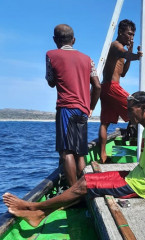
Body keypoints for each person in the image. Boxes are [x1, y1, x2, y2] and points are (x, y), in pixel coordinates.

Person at [3, 91, 145, 228]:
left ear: (143, 108)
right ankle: (41, 212)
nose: (128, 114)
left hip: (141, 185)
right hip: (136, 176)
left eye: (130, 110)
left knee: (85, 186)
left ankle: (34, 207)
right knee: (85, 179)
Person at [45, 24, 101, 187]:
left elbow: (51, 82)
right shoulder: (88, 59)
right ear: (74, 40)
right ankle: (82, 189)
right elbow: (97, 86)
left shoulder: (51, 55)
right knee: (80, 152)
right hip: (82, 110)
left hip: (66, 109)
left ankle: (73, 192)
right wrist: (91, 107)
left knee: (66, 152)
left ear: (55, 40)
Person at [98, 19, 142, 163]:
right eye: (129, 34)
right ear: (120, 32)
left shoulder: (122, 51)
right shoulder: (116, 46)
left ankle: (103, 155)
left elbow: (123, 73)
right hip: (111, 86)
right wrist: (136, 55)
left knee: (105, 123)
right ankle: (141, 149)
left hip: (106, 88)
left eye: (133, 35)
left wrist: (130, 53)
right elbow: (127, 55)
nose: (131, 37)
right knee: (137, 109)